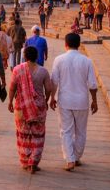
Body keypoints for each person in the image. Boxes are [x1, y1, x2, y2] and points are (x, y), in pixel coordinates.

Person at [50, 33, 98, 171]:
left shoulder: (59, 60)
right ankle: (76, 157)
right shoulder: (87, 61)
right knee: (81, 131)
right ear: (79, 44)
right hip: (82, 101)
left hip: (65, 100)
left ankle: (70, 159)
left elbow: (54, 81)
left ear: (65, 44)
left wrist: (52, 97)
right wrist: (94, 101)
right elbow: (92, 85)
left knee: (66, 131)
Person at [8, 45, 54, 173]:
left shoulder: (17, 70)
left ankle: (26, 160)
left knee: (23, 134)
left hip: (21, 108)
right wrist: (45, 100)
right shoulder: (43, 71)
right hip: (38, 108)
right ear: (37, 57)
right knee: (37, 135)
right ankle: (34, 162)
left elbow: (12, 88)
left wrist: (10, 102)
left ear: (25, 57)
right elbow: (49, 89)